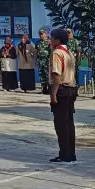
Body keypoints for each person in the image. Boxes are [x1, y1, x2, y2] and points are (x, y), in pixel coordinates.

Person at [48, 28, 78, 163]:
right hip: (71, 88)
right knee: (69, 123)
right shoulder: (69, 53)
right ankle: (71, 153)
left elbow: (57, 75)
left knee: (61, 123)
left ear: (57, 40)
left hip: (62, 89)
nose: (50, 41)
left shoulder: (57, 53)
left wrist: (53, 94)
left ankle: (64, 154)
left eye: (52, 38)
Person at [35, 29, 52, 95]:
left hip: (47, 61)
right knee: (42, 75)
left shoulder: (49, 42)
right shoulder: (38, 42)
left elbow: (52, 51)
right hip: (40, 61)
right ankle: (44, 89)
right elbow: (36, 52)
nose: (41, 35)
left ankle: (50, 89)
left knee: (48, 75)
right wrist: (36, 60)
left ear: (46, 34)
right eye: (40, 34)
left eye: (42, 34)